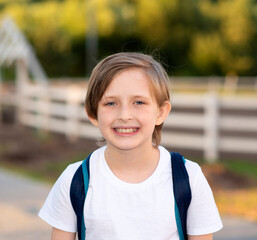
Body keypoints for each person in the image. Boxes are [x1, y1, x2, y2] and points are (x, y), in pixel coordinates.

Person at [39, 52, 223, 240]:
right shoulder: (75, 180)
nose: (125, 115)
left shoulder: (188, 178)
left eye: (139, 102)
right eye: (111, 103)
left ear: (161, 112)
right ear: (93, 114)